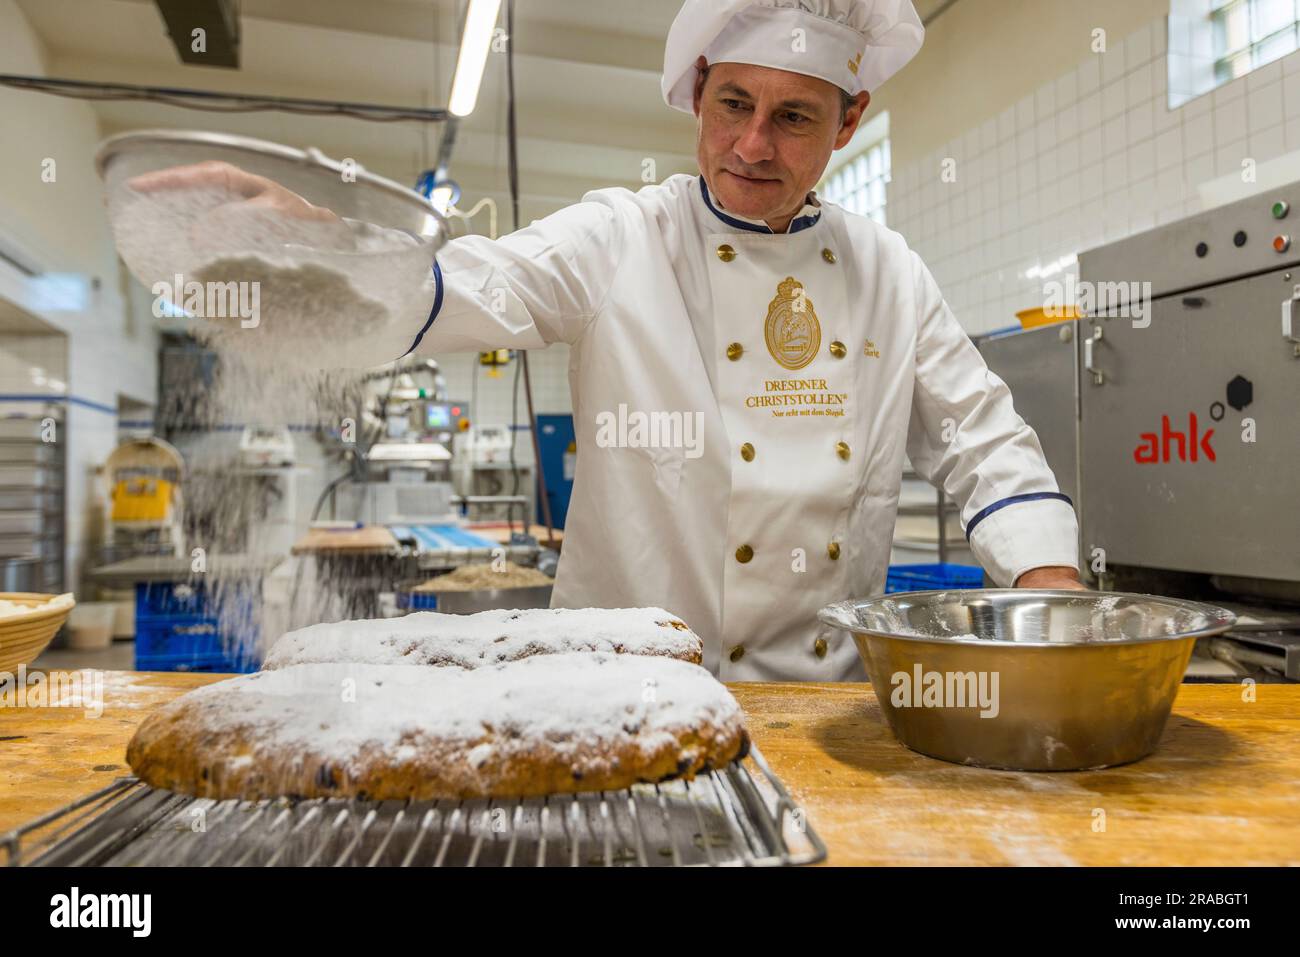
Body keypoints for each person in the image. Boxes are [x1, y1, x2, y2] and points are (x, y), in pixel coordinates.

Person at [132, 0, 1085, 681]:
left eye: (793, 117)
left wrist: (1052, 598)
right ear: (699, 89)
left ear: (849, 121)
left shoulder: (888, 269)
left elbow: (983, 440)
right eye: (733, 104)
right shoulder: (621, 235)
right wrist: (318, 244)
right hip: (612, 694)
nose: (753, 145)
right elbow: (476, 282)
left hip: (819, 711)